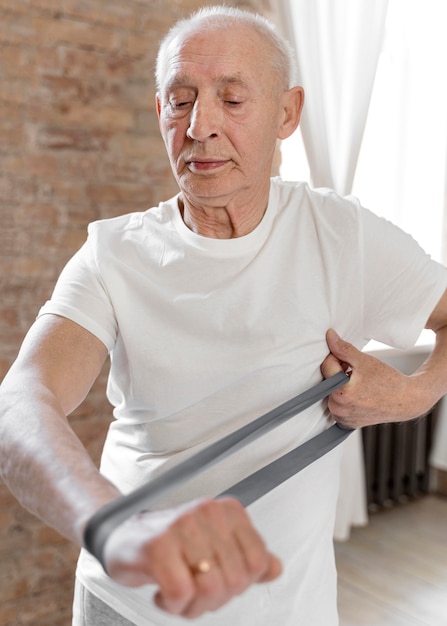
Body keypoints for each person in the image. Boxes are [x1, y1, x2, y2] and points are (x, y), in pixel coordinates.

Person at [1, 5, 447, 626]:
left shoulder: (342, 234)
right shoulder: (114, 253)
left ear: (286, 114)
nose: (200, 126)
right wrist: (111, 528)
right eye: (180, 101)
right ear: (160, 115)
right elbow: (22, 400)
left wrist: (416, 393)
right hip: (129, 603)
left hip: (290, 607)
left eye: (233, 100)